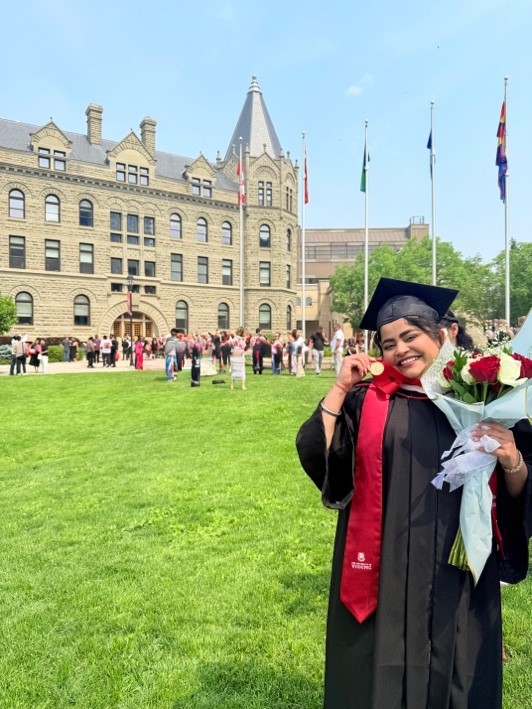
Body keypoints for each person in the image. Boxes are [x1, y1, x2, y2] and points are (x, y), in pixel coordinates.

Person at [296, 277, 532, 709]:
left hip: (455, 559)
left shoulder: (482, 399)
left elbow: (520, 490)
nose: (400, 349)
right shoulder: (368, 400)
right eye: (388, 343)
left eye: (410, 335)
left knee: (454, 660)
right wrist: (340, 387)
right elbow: (321, 454)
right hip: (385, 556)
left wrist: (511, 457)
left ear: (442, 334)